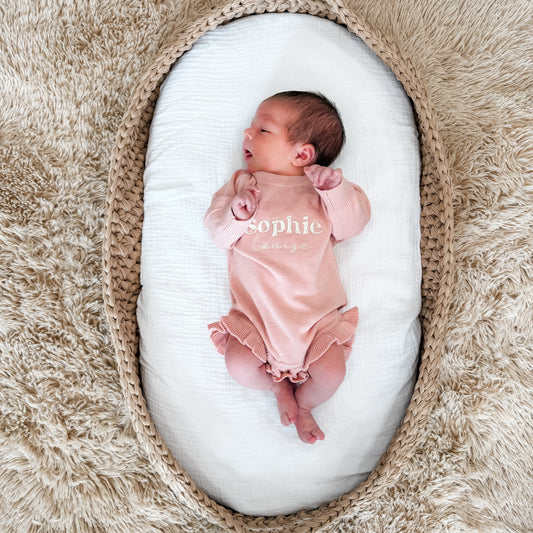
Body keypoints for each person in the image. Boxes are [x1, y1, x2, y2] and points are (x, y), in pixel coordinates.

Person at [204, 91, 371, 444]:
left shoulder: (321, 191)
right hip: (256, 319)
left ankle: (305, 406)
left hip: (316, 320)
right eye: (250, 128)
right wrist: (237, 214)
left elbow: (351, 227)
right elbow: (219, 235)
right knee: (238, 365)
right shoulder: (242, 185)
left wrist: (335, 192)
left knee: (331, 372)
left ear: (302, 153)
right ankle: (278, 389)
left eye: (262, 130)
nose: (247, 134)